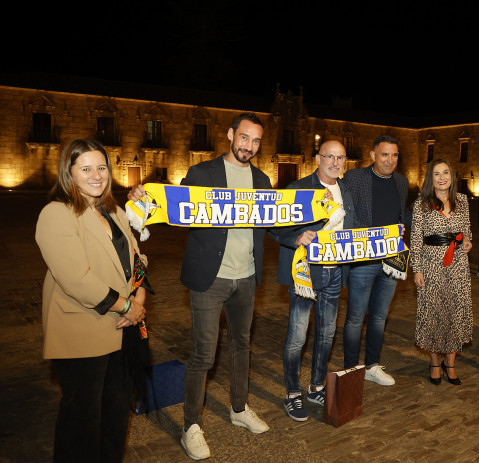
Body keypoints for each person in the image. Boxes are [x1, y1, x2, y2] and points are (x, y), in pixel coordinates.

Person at [128, 112, 270, 460]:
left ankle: (239, 408)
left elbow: (276, 221)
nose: (248, 146)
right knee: (204, 353)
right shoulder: (202, 173)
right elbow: (176, 208)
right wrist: (144, 199)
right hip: (210, 278)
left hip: (247, 277)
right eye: (244, 138)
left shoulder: (263, 181)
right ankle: (191, 425)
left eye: (255, 141)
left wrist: (304, 232)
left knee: (241, 345)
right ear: (230, 135)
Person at [36, 139, 148, 462]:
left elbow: (137, 258)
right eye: (85, 168)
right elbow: (76, 279)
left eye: (101, 167)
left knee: (116, 412)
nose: (96, 175)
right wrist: (127, 306)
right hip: (83, 331)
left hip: (124, 328)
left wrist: (139, 297)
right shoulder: (56, 214)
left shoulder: (113, 210)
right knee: (82, 420)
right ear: (69, 173)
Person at [270, 140, 355, 421]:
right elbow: (273, 227)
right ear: (317, 158)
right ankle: (292, 393)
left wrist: (388, 236)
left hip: (335, 273)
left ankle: (316, 385)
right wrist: (295, 238)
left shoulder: (347, 192)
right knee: (297, 336)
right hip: (305, 273)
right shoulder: (297, 189)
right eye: (329, 156)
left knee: (327, 333)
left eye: (340, 157)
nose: (335, 162)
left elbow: (355, 231)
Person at [342, 135, 412, 386]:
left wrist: (407, 224)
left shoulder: (402, 181)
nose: (390, 160)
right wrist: (374, 236)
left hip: (393, 258)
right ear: (373, 155)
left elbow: (401, 213)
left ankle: (372, 365)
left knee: (379, 316)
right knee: (355, 317)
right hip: (364, 260)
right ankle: (351, 368)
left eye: (394, 155)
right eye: (385, 154)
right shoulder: (355, 178)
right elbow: (347, 213)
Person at [411, 159, 473, 385]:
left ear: (451, 176)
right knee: (434, 312)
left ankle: (451, 362)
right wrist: (416, 269)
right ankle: (435, 362)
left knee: (456, 311)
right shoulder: (422, 204)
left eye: (445, 172)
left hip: (457, 264)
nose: (442, 177)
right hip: (431, 264)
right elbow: (416, 238)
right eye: (436, 173)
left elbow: (467, 232)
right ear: (431, 178)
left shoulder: (463, 201)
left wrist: (467, 241)